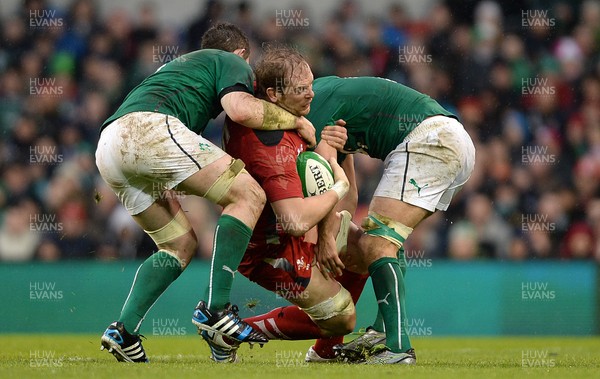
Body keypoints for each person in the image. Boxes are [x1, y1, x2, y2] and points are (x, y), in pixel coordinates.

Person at [95, 22, 316, 363]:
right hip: (148, 130)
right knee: (249, 196)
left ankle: (123, 331)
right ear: (240, 54)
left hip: (109, 147)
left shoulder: (180, 69)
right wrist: (297, 122)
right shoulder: (229, 60)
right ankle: (215, 311)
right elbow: (241, 109)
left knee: (178, 245)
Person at [200, 46, 369, 363]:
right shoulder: (273, 150)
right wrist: (338, 185)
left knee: (367, 248)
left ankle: (326, 353)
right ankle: (229, 332)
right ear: (273, 95)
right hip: (273, 249)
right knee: (342, 317)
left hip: (295, 226)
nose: (311, 95)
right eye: (301, 90)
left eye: (311, 85)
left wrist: (340, 155)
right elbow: (293, 219)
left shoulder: (270, 113)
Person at [305, 75, 476, 364]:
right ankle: (383, 332)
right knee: (385, 240)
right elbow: (346, 192)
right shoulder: (329, 108)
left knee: (376, 244)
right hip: (451, 140)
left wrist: (323, 238)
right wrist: (335, 234)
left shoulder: (311, 110)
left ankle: (398, 348)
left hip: (429, 139)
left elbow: (320, 188)